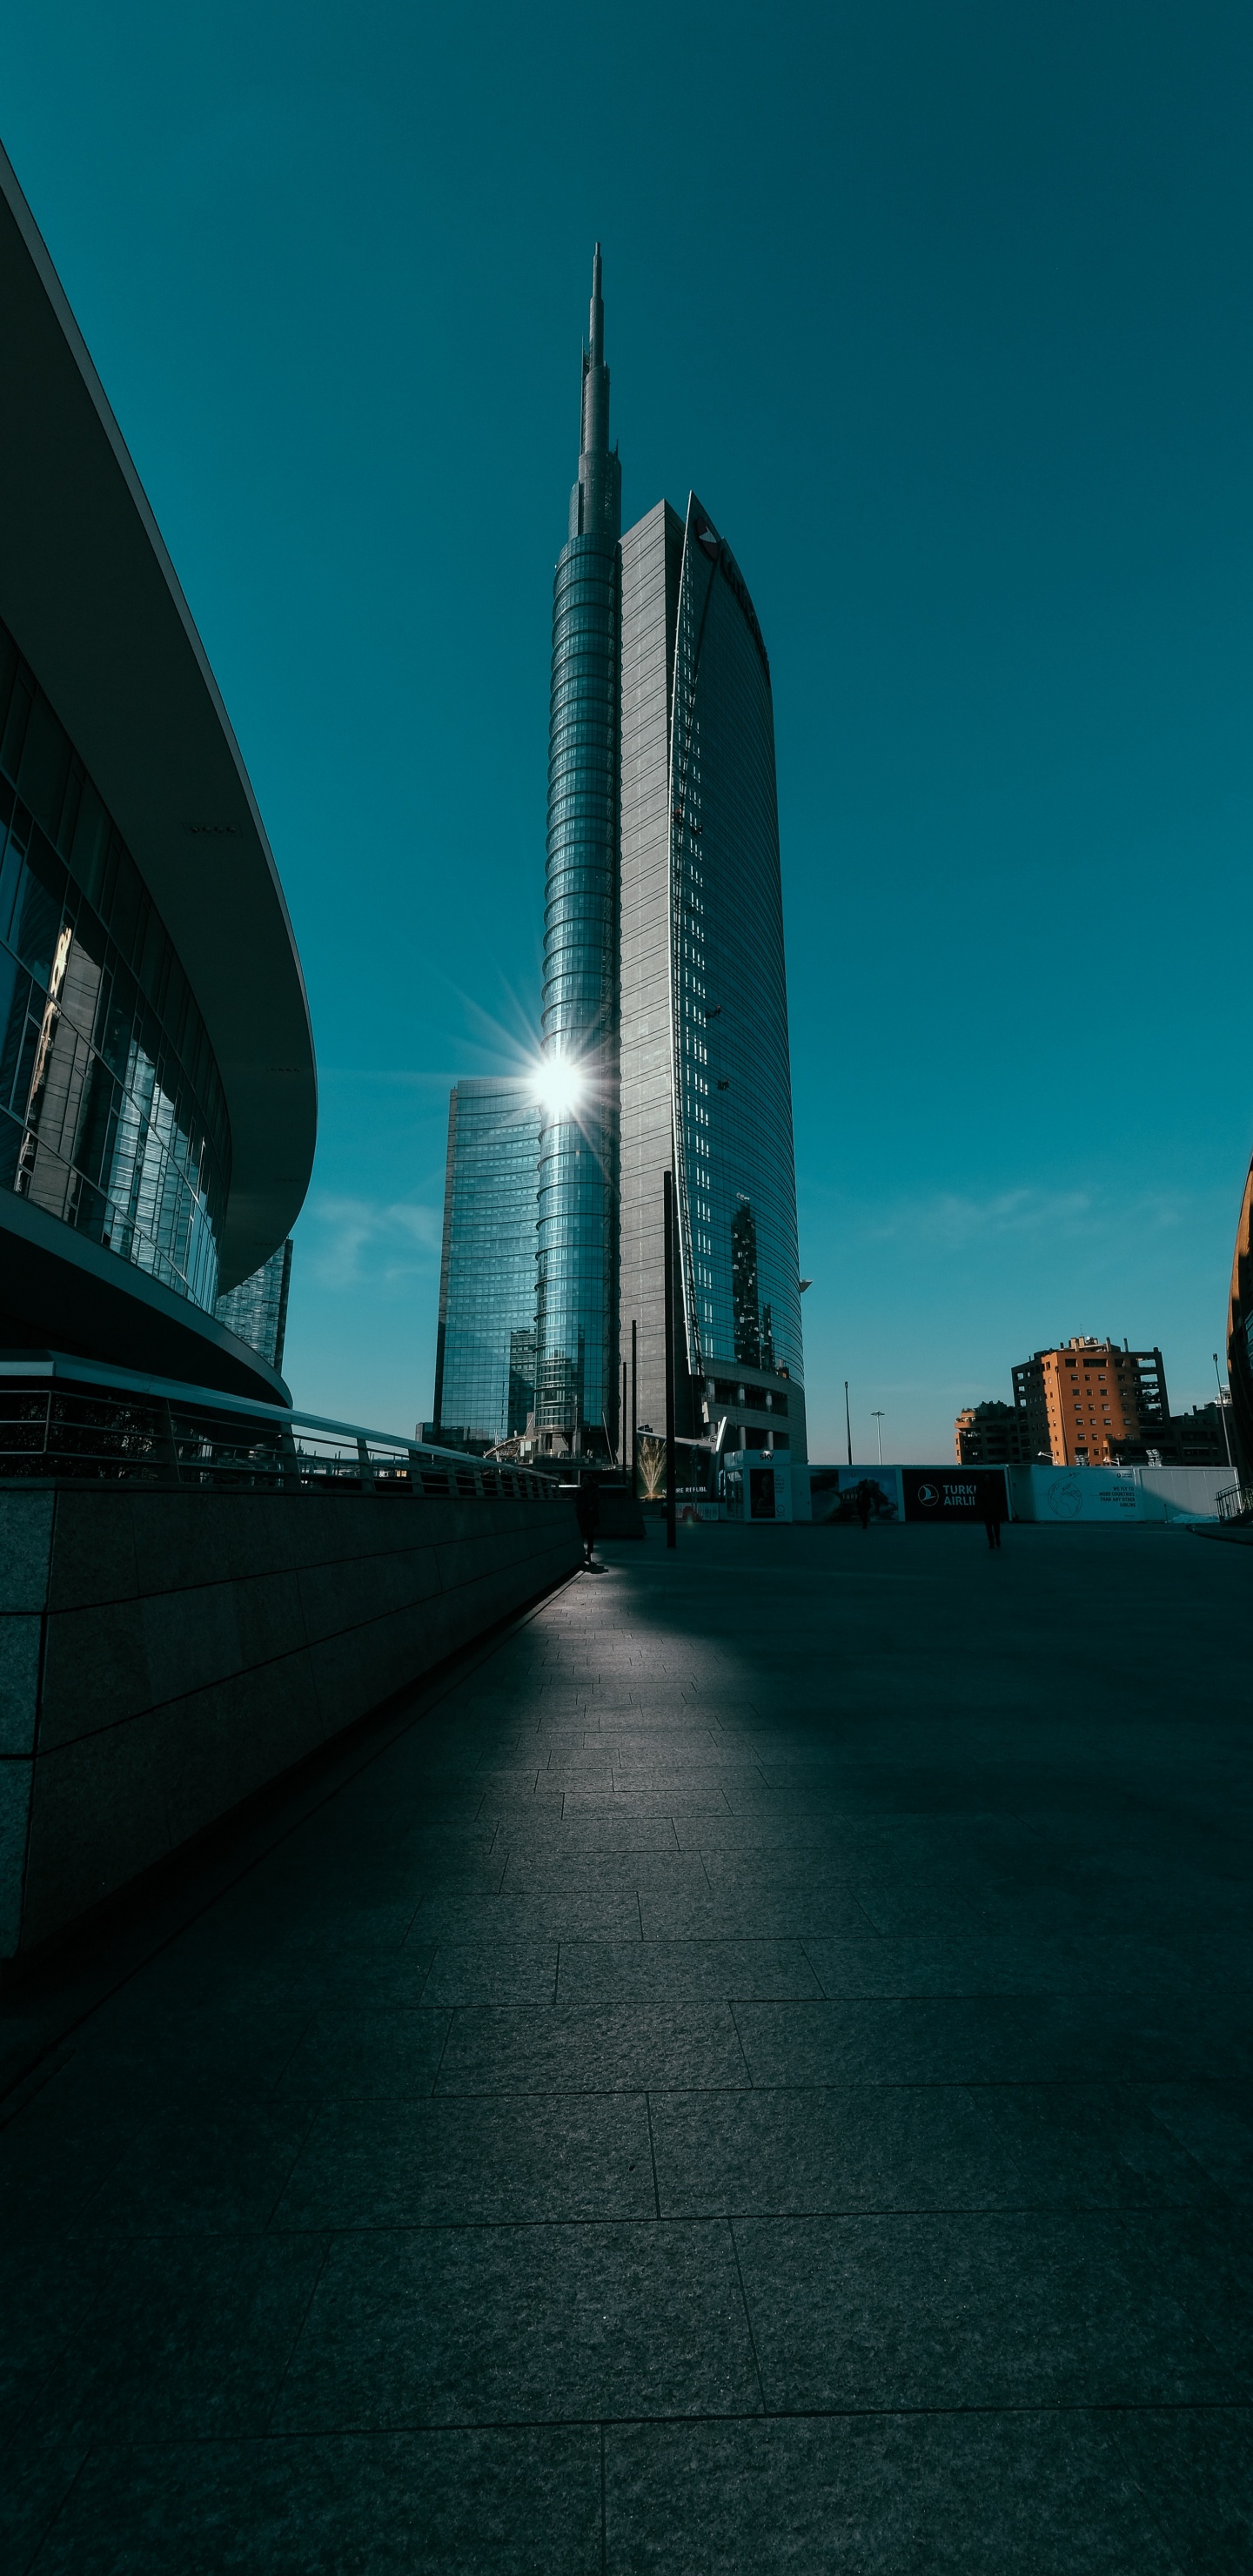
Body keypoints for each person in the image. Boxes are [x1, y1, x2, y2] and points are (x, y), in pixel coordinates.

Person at [575, 1472, 600, 1568]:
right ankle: (582, 1553)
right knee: (582, 1534)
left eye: (585, 1481)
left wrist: (591, 1508)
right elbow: (577, 1499)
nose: (584, 1482)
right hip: (582, 1514)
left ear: (590, 1481)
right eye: (583, 1481)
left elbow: (596, 1502)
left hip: (590, 1516)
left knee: (589, 1535)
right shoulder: (582, 1489)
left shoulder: (594, 1490)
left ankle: (588, 1554)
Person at [981, 1475, 1005, 1550]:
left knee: (995, 1527)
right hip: (988, 1511)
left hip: (994, 1511)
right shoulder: (984, 1488)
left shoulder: (993, 1487)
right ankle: (992, 1542)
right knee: (990, 1528)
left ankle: (996, 1539)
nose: (987, 1479)